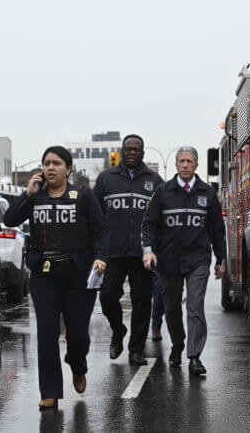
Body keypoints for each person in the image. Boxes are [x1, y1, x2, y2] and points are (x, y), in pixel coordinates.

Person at [3, 146, 109, 411]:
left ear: (69, 169)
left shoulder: (82, 195)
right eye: (47, 163)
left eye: (57, 163)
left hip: (77, 275)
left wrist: (101, 257)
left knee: (78, 335)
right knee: (47, 334)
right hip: (44, 276)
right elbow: (10, 219)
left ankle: (78, 364)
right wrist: (27, 195)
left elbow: (101, 230)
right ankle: (49, 392)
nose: (50, 168)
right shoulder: (35, 197)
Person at [141, 146, 226, 376]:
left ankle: (195, 356)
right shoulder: (162, 192)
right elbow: (149, 223)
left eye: (190, 161)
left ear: (197, 165)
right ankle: (177, 345)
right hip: (168, 260)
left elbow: (217, 229)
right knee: (171, 309)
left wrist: (221, 259)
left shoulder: (207, 193)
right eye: (182, 161)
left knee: (195, 305)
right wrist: (148, 250)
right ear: (177, 165)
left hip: (197, 258)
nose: (185, 165)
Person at [93, 134, 163, 365]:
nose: (132, 153)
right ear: (121, 152)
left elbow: (161, 217)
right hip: (113, 252)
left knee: (142, 302)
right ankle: (118, 330)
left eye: (137, 150)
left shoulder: (154, 180)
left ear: (143, 153)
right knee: (107, 296)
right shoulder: (106, 178)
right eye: (128, 149)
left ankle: (136, 350)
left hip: (143, 253)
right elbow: (94, 216)